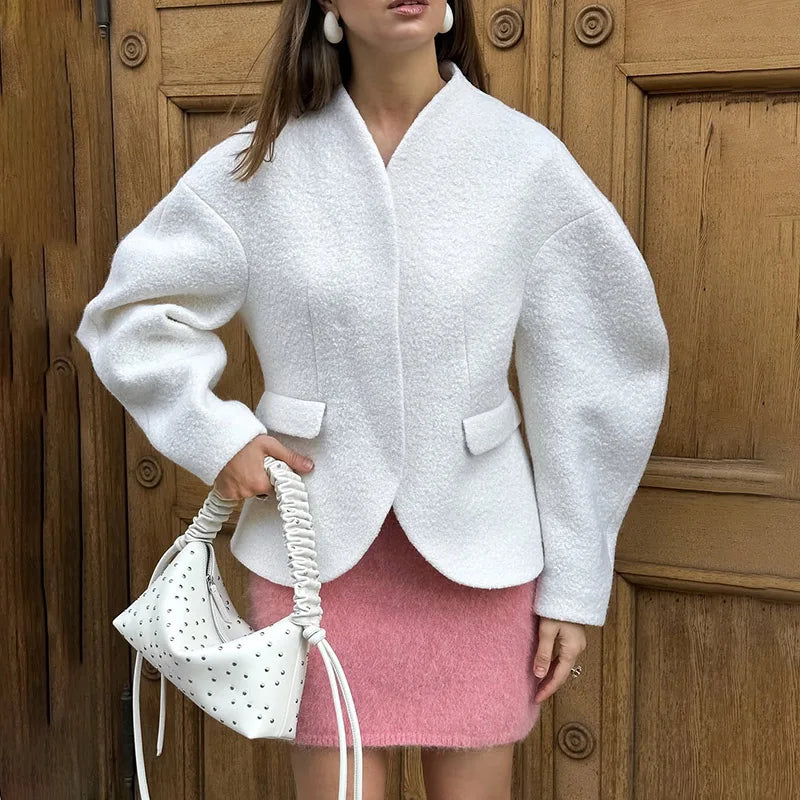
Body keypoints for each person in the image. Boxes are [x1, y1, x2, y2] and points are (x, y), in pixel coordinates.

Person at [74, 0, 670, 796]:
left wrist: (575, 582)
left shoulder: (523, 161)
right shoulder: (260, 164)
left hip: (480, 553)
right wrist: (216, 435)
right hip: (316, 555)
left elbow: (599, 365)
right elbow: (135, 316)